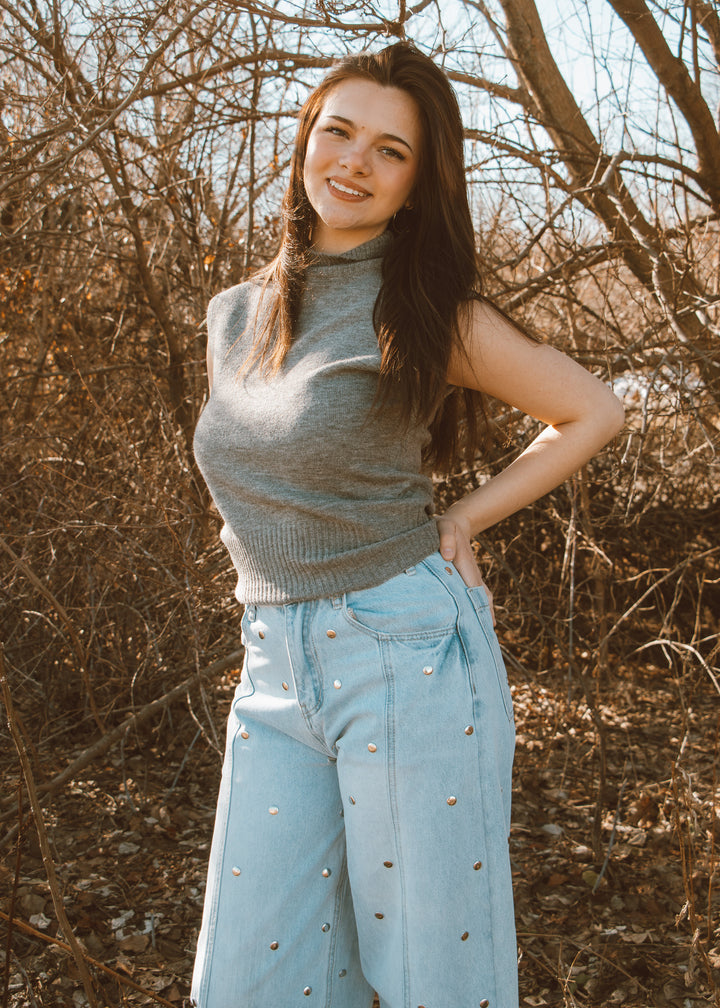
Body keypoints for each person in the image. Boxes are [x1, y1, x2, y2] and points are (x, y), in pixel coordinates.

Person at [191, 41, 624, 1008]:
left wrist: (464, 515)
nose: (353, 161)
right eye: (337, 131)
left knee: (435, 978)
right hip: (270, 666)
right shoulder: (234, 315)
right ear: (305, 139)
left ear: (418, 185)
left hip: (408, 651)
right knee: (248, 981)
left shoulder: (423, 309)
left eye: (390, 151)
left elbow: (591, 411)